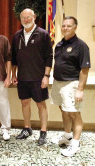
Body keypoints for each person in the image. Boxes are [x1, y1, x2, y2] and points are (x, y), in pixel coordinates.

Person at [11, 9, 53, 145]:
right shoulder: (17, 36)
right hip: (23, 77)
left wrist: (46, 76)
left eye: (28, 17)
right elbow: (14, 58)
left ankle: (43, 131)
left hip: (38, 77)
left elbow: (49, 57)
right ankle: (27, 128)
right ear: (20, 19)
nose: (26, 20)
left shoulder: (43, 34)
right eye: (23, 18)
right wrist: (14, 74)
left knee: (41, 104)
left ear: (34, 17)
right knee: (24, 103)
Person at [51, 16, 90, 157]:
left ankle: (75, 143)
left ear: (75, 27)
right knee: (64, 110)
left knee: (74, 113)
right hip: (58, 83)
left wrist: (80, 90)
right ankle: (67, 136)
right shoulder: (60, 44)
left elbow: (84, 70)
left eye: (68, 26)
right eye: (63, 26)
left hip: (71, 84)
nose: (65, 28)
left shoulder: (81, 46)